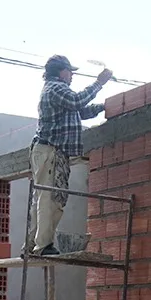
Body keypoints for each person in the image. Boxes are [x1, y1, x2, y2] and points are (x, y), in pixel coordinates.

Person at [28, 54, 114, 256]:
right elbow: (76, 101)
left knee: (43, 198)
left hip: (49, 151)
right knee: (50, 198)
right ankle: (42, 246)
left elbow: (80, 111)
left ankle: (32, 245)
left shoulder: (56, 91)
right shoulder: (56, 88)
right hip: (50, 151)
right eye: (70, 72)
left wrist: (105, 107)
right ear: (61, 71)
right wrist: (99, 83)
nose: (72, 76)